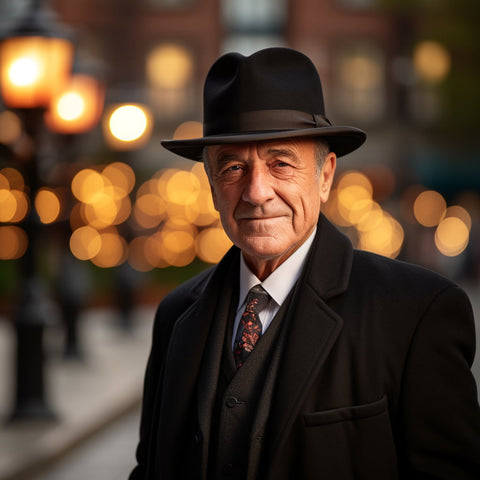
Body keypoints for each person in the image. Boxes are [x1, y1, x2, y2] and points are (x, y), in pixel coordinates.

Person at [129, 47, 480, 480]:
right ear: (212, 185)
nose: (257, 192)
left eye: (280, 164)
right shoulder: (176, 313)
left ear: (326, 175)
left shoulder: (417, 313)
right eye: (234, 167)